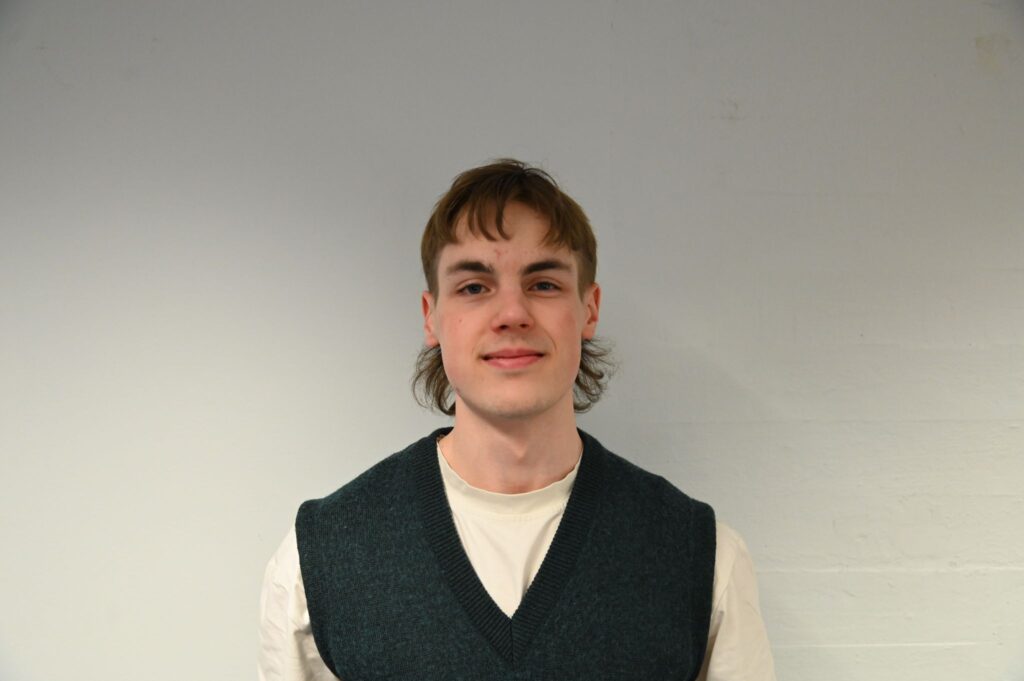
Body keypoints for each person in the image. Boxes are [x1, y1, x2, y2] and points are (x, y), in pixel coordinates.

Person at [258, 159, 776, 680]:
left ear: (589, 308)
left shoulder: (700, 557)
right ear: (431, 316)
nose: (512, 314)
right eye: (474, 287)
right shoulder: (319, 560)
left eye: (544, 284)